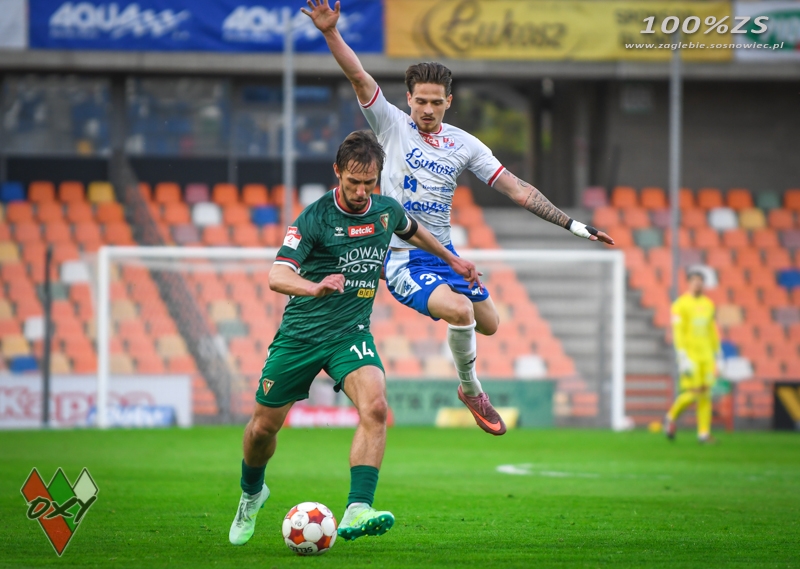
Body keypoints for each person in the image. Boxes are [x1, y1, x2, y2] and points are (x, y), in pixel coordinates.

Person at [303, 0, 614, 436]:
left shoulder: (466, 144)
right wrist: (331, 33)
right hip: (401, 255)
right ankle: (471, 390)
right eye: (420, 102)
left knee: (490, 324)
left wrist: (574, 226)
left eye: (436, 102)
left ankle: (467, 375)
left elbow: (518, 189)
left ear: (448, 101)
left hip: (443, 251)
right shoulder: (391, 125)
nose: (427, 110)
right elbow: (359, 76)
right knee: (461, 310)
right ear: (408, 99)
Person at [229, 131, 481, 546]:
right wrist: (314, 287)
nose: (362, 192)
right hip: (301, 336)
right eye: (353, 182)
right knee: (262, 429)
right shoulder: (314, 218)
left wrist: (452, 259)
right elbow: (277, 275)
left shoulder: (385, 210)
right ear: (337, 172)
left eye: (370, 182)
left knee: (376, 407)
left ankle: (358, 507)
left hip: (351, 334)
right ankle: (252, 493)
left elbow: (413, 229)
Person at [664, 268, 723, 443]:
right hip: (691, 355)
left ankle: (703, 433)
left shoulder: (708, 304)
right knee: (694, 393)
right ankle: (671, 416)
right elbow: (678, 332)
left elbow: (712, 330)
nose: (698, 284)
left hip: (707, 355)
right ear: (688, 283)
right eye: (694, 281)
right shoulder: (680, 305)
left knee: (706, 393)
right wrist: (682, 356)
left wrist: (718, 353)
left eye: (700, 281)